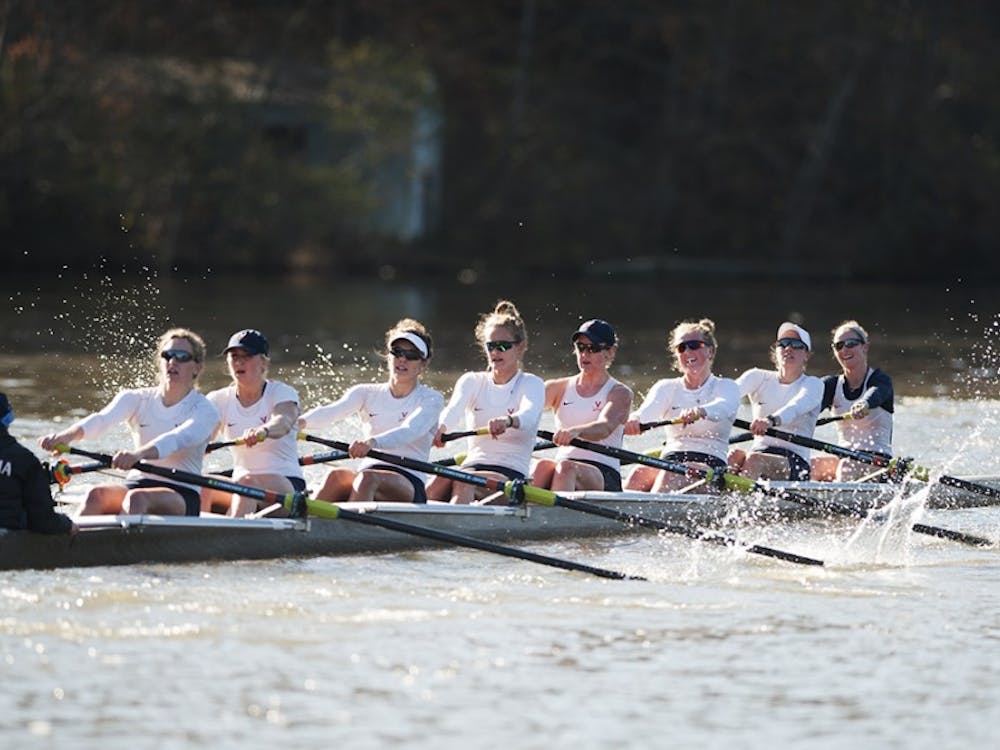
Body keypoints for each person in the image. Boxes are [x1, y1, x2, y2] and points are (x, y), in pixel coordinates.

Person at [39, 328, 219, 516]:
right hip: (138, 483)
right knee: (96, 495)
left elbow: (177, 438)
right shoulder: (136, 398)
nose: (173, 361)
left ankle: (122, 535)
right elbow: (102, 420)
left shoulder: (205, 410)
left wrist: (137, 455)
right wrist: (65, 436)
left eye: (182, 356)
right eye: (167, 355)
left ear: (197, 367)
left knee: (137, 499)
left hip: (181, 492)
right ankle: (68, 534)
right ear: (160, 361)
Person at [298, 319, 444, 504]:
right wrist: (297, 423)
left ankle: (347, 521)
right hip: (368, 470)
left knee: (368, 479)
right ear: (388, 356)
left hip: (408, 479)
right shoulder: (365, 392)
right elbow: (332, 411)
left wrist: (372, 442)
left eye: (411, 355)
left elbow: (410, 430)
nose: (402, 359)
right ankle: (304, 520)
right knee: (335, 476)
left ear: (423, 364)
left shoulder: (431, 399)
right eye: (397, 352)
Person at [427, 300, 545, 504]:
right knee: (437, 481)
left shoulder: (531, 383)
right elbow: (453, 410)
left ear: (520, 347)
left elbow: (529, 415)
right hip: (471, 466)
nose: (495, 353)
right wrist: (441, 429)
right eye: (491, 346)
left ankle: (456, 519)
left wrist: (508, 421)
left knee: (464, 482)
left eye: (503, 346)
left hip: (510, 475)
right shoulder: (472, 381)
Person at [624, 319, 739, 492]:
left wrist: (701, 411)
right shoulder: (666, 387)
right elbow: (645, 413)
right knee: (638, 474)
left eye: (694, 345)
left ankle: (649, 506)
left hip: (710, 465)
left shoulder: (726, 386)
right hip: (670, 460)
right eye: (681, 348)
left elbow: (724, 407)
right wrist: (634, 420)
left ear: (711, 351)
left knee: (670, 475)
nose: (688, 352)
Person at [201, 329, 304, 516]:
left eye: (246, 356)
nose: (239, 362)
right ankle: (196, 532)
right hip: (242, 484)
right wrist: (199, 443)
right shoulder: (218, 399)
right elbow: (204, 433)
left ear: (263, 362)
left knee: (247, 483)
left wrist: (263, 431)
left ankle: (232, 530)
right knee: (203, 484)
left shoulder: (281, 392)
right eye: (234, 356)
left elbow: (284, 421)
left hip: (287, 485)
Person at [531, 319, 633, 492]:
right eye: (581, 347)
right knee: (542, 467)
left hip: (603, 473)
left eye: (593, 348)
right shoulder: (557, 388)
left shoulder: (619, 393)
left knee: (566, 468)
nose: (585, 354)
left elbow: (604, 427)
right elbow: (525, 410)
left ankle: (555, 508)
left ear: (610, 352)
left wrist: (576, 432)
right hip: (564, 467)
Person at [728, 322, 823, 481]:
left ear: (806, 354)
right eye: (783, 344)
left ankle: (738, 496)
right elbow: (727, 395)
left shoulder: (813, 384)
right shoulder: (757, 377)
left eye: (796, 345)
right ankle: (717, 495)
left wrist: (770, 421)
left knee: (755, 460)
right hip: (759, 451)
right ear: (776, 351)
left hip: (795, 462)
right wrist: (702, 410)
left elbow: (795, 407)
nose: (788, 348)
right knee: (733, 456)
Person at [811, 321, 895, 481]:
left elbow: (875, 394)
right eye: (839, 346)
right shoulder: (830, 385)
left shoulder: (881, 380)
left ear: (865, 347)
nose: (844, 350)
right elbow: (809, 407)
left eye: (850, 344)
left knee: (847, 467)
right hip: (845, 456)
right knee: (809, 465)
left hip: (878, 462)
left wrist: (864, 404)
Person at [0, 392, 76, 534]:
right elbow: (43, 522)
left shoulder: (24, 460)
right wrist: (67, 524)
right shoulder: (24, 460)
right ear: (8, 417)